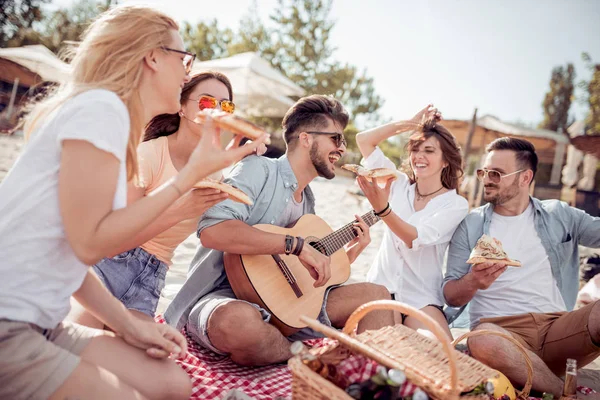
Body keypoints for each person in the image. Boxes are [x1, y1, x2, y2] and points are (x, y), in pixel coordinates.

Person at [0, 5, 265, 400]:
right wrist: (188, 178)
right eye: (184, 59)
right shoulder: (103, 109)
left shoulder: (110, 117)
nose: (187, 72)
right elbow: (92, 245)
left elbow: (73, 257)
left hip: (46, 318)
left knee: (174, 384)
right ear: (153, 56)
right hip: (11, 319)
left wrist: (127, 324)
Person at [165, 94, 395, 366]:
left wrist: (346, 256)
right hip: (223, 297)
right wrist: (295, 245)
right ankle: (309, 358)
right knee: (238, 323)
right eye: (336, 139)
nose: (342, 149)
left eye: (342, 141)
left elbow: (293, 274)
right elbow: (213, 229)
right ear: (306, 138)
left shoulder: (308, 200)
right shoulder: (257, 169)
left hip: (285, 308)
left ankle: (369, 383)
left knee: (377, 297)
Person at [71, 71, 266, 328]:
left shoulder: (216, 171)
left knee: (146, 360)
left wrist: (252, 164)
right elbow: (113, 242)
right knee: (83, 338)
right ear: (182, 107)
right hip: (107, 265)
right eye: (207, 102)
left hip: (151, 280)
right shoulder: (149, 155)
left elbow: (229, 225)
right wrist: (180, 210)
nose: (217, 111)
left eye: (225, 105)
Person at [443, 137, 600, 398]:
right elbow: (450, 294)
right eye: (484, 172)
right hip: (500, 336)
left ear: (525, 178)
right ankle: (565, 393)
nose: (487, 179)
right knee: (481, 338)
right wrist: (474, 281)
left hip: (558, 331)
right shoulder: (470, 225)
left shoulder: (559, 214)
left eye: (497, 173)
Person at [355, 105, 468, 339]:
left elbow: (414, 237)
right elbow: (364, 140)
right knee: (378, 354)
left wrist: (383, 210)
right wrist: (410, 124)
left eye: (429, 150)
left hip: (422, 299)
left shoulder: (455, 204)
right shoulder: (396, 183)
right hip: (380, 291)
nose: (419, 156)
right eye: (415, 149)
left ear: (446, 160)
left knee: (439, 354)